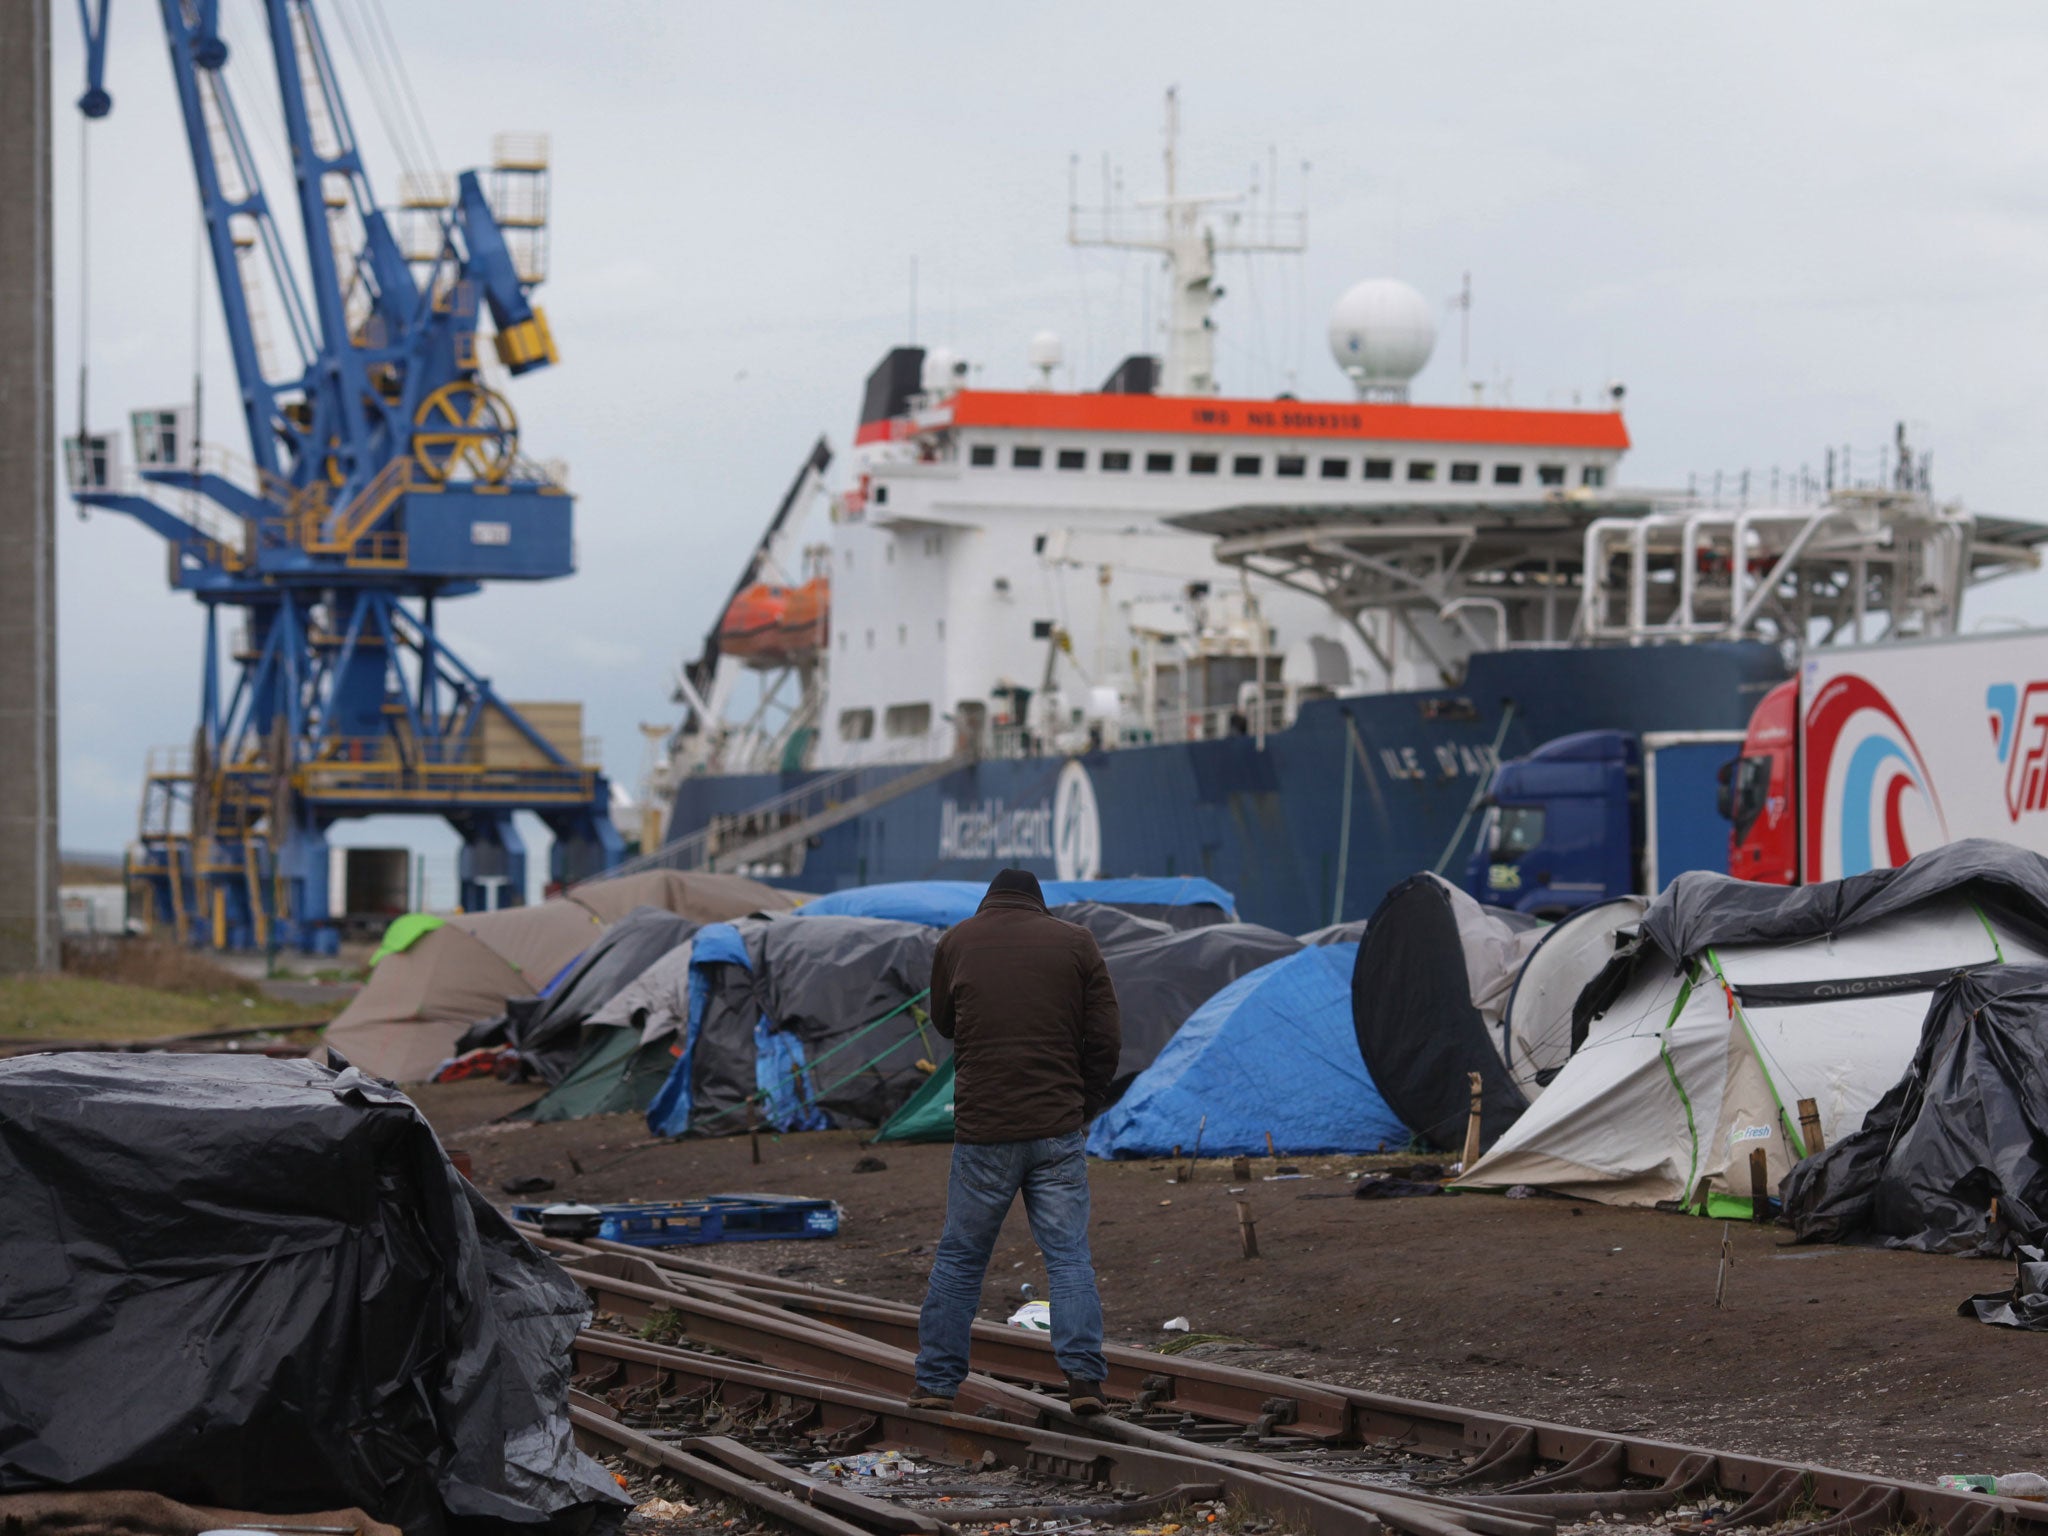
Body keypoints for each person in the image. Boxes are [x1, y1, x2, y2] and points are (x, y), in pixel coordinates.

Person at [910, 868, 1121, 1414]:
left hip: (984, 1132)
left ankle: (935, 1384)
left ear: (989, 902)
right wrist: (1084, 1104)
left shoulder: (956, 941)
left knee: (960, 1258)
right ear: (1038, 903)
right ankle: (1084, 1384)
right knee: (1069, 1258)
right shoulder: (1077, 942)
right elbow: (1105, 1037)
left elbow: (946, 1022)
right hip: (1056, 1129)